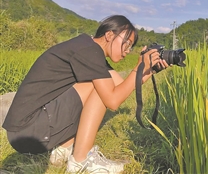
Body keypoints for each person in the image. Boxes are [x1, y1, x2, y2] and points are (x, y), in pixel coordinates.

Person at [2, 15, 170, 173]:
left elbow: (122, 85)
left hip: (25, 130)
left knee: (104, 85)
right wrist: (137, 68)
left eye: (131, 47)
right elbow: (113, 100)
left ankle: (63, 150)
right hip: (29, 130)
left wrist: (148, 70)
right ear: (110, 35)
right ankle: (81, 160)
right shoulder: (89, 51)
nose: (128, 50)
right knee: (100, 88)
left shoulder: (88, 48)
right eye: (126, 43)